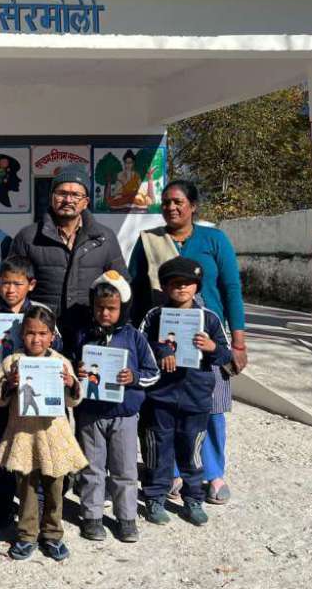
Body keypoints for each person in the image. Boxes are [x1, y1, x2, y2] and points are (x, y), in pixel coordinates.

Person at [129, 179, 247, 504]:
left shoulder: (214, 239)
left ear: (193, 206)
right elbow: (135, 289)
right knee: (167, 408)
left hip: (207, 339)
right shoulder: (149, 240)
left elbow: (231, 289)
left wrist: (238, 342)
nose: (171, 207)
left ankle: (213, 473)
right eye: (166, 202)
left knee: (211, 407)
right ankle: (174, 473)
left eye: (178, 202)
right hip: (164, 340)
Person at [0, 306, 87, 562]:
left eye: (43, 333)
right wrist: (9, 384)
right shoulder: (13, 362)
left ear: (52, 336)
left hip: (53, 436)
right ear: (22, 334)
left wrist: (71, 384)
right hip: (24, 436)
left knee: (55, 488)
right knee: (27, 489)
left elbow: (74, 400)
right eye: (31, 333)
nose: (36, 339)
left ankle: (52, 534)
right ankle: (27, 535)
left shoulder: (61, 362)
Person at [138, 257, 232, 527]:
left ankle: (193, 499)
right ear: (165, 287)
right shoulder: (155, 316)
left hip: (196, 397)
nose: (181, 288)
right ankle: (155, 497)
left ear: (197, 286)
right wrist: (161, 350)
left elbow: (225, 355)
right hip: (160, 397)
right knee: (158, 448)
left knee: (192, 450)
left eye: (188, 283)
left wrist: (211, 347)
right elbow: (140, 345)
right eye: (174, 283)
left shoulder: (209, 318)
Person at [73, 271, 159, 543]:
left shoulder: (134, 337)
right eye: (100, 307)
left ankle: (126, 518)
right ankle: (92, 516)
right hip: (91, 415)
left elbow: (153, 372)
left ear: (123, 308)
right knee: (92, 468)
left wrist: (133, 377)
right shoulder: (83, 334)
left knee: (125, 469)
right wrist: (77, 372)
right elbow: (70, 367)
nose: (105, 313)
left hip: (124, 416)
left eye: (111, 308)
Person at [10, 163, 128, 356]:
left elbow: (122, 287)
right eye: (62, 193)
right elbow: (12, 285)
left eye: (76, 195)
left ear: (86, 202)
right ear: (51, 197)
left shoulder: (104, 238)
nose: (68, 200)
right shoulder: (28, 237)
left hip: (89, 334)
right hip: (42, 337)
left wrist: (114, 329)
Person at [0, 256, 53, 527]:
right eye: (5, 283)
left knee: (34, 448)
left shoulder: (41, 311)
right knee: (2, 449)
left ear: (31, 284)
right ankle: (2, 505)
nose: (10, 289)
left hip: (34, 395)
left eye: (17, 284)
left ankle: (35, 505)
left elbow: (56, 345)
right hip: (2, 395)